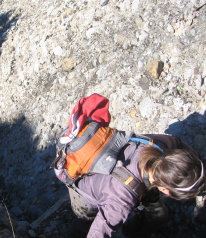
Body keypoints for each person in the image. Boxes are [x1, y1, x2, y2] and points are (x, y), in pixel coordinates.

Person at [57, 95, 205, 237]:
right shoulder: (120, 202)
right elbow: (97, 233)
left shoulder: (159, 146)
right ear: (164, 189)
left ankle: (134, 231)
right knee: (85, 222)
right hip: (86, 193)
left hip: (124, 179)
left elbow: (177, 142)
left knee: (159, 214)